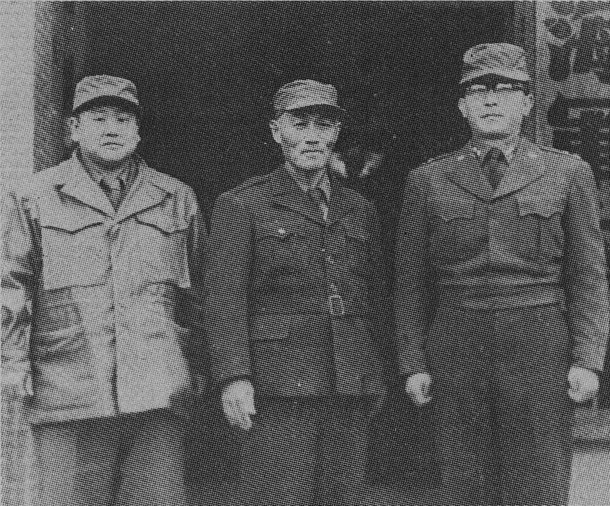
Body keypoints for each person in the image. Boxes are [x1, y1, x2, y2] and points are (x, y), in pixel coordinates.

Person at [394, 43, 609, 505]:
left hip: (539, 344)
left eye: (506, 90)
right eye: (478, 90)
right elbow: (410, 283)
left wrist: (588, 358)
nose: (492, 100)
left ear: (528, 103)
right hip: (457, 344)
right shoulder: (428, 180)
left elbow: (589, 276)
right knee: (464, 479)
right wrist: (413, 361)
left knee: (540, 480)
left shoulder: (567, 173)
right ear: (462, 106)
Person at [2, 75, 207, 506]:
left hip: (158, 389)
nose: (112, 128)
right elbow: (10, 285)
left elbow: (198, 296)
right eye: (98, 118)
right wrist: (12, 361)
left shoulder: (177, 198)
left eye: (123, 118)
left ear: (138, 132)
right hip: (67, 386)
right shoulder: (33, 196)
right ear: (73, 130)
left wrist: (199, 369)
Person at [204, 79, 391, 506]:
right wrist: (234, 376)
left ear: (336, 135)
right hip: (278, 386)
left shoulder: (359, 208)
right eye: (299, 123)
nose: (311, 135)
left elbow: (375, 296)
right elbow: (224, 299)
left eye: (324, 125)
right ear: (276, 131)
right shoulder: (243, 205)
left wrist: (374, 370)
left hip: (349, 382)